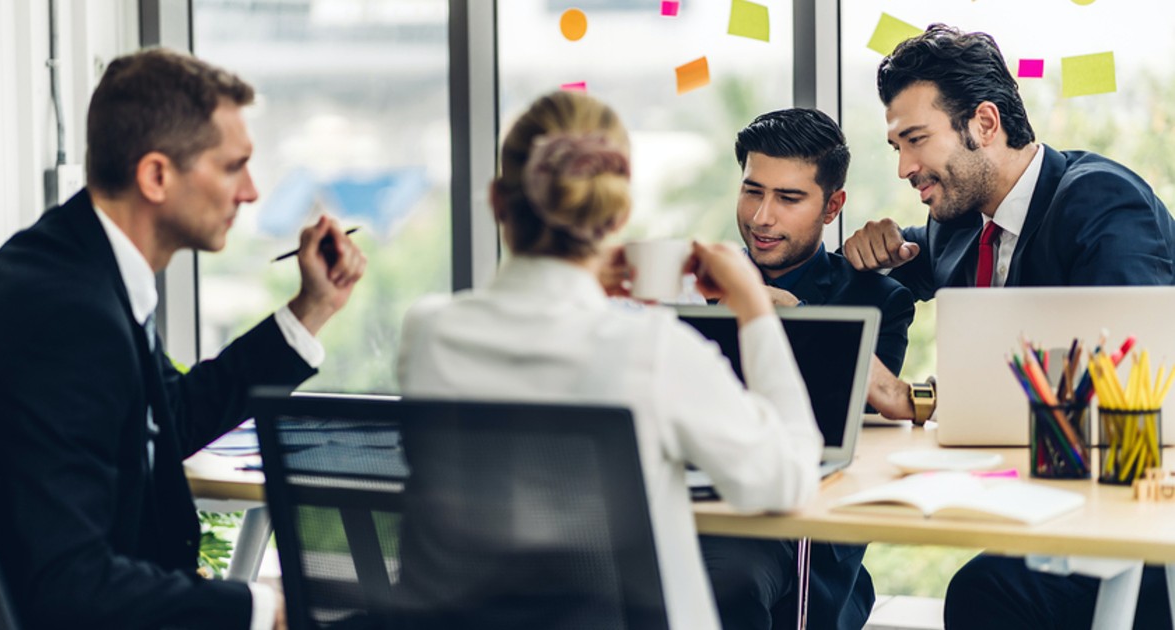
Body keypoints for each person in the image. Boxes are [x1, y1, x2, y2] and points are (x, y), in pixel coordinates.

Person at [0, 48, 366, 629]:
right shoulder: (66, 315)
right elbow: (72, 587)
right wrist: (261, 608)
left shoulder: (74, 262)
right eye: (233, 167)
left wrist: (311, 309)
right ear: (156, 175)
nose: (251, 192)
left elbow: (167, 417)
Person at [395, 90, 823, 630]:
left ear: (498, 202)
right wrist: (754, 308)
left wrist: (583, 279)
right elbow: (786, 481)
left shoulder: (429, 331)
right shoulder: (651, 350)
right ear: (617, 214)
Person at [841, 24, 1175, 629]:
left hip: (1131, 509)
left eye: (916, 140)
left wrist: (921, 398)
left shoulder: (1100, 201)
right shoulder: (960, 224)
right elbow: (896, 271)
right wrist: (864, 252)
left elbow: (1125, 371)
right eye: (896, 146)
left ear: (985, 124)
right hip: (1044, 496)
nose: (904, 167)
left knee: (983, 593)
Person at [698, 108, 915, 630]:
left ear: (832, 206)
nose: (761, 217)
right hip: (696, 497)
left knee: (726, 580)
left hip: (798, 530)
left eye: (788, 198)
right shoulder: (701, 281)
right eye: (753, 191)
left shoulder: (875, 300)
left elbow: (847, 435)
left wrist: (788, 318)